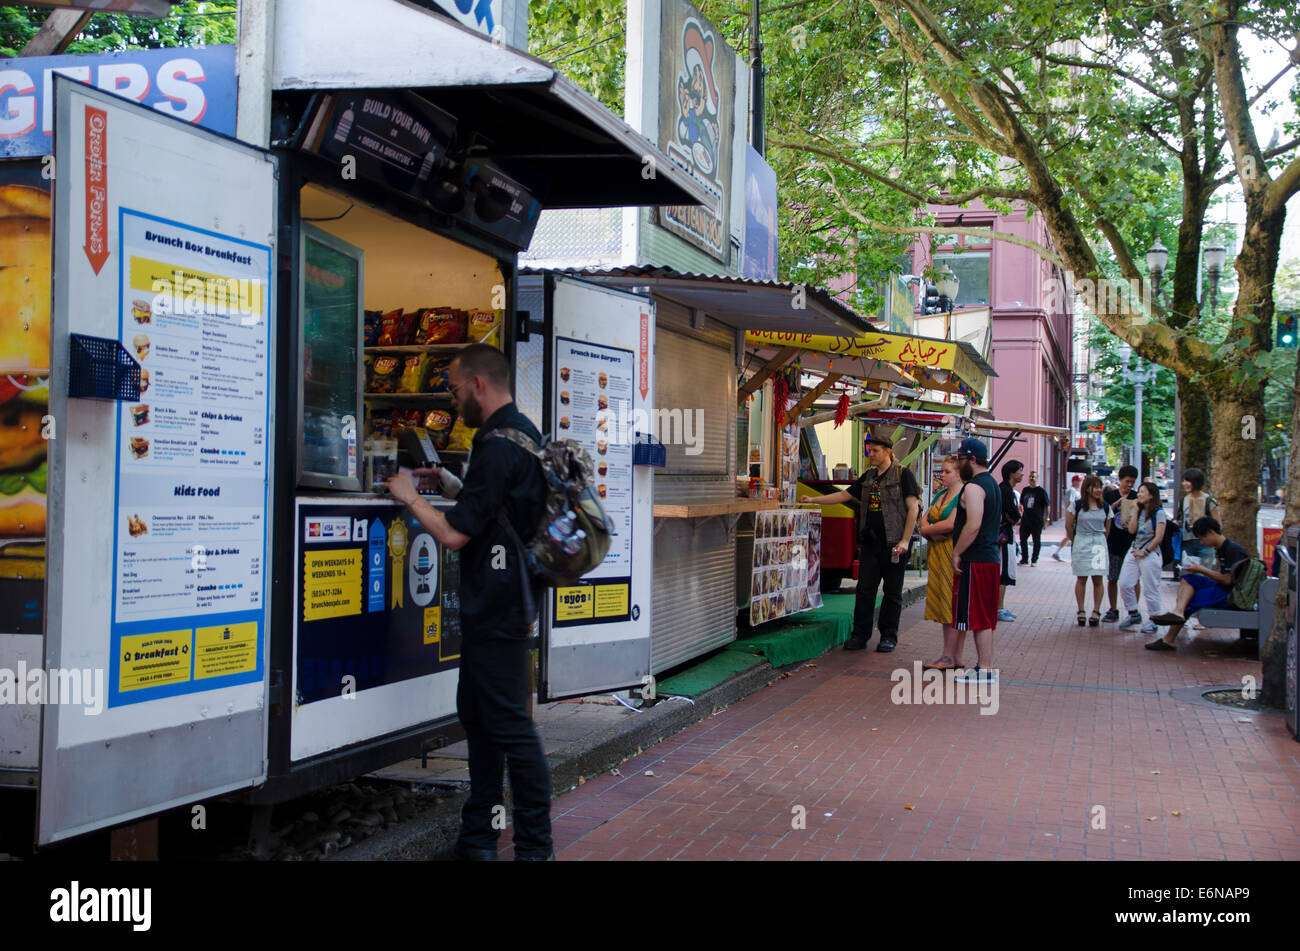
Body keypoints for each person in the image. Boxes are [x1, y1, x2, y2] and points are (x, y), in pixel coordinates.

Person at [386, 344, 553, 861]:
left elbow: (457, 536)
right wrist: (456, 484)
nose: (454, 402)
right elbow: (495, 507)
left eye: (455, 391)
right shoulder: (520, 433)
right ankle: (478, 840)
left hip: (499, 607)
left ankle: (534, 848)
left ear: (479, 385)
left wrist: (409, 495)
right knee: (482, 722)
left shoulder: (499, 444)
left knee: (510, 730)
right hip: (503, 604)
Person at [802, 434, 921, 652]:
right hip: (871, 543)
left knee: (892, 592)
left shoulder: (903, 475)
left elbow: (913, 508)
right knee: (865, 590)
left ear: (888, 451)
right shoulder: (868, 477)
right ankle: (860, 635)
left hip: (895, 543)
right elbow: (844, 496)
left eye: (875, 451)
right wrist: (813, 499)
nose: (871, 455)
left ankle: (888, 636)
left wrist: (905, 540)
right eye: (870, 451)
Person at [1145, 517, 1251, 651]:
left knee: (1192, 599)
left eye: (1202, 538)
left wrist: (1202, 569)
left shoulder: (1233, 549)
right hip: (1223, 586)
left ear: (1212, 532)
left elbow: (1227, 580)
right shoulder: (1222, 548)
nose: (1201, 542)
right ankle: (1178, 612)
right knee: (1189, 579)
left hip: (1232, 594)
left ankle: (1169, 639)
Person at [950, 438, 1002, 684]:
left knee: (978, 615)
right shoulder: (992, 484)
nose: (958, 464)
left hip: (977, 558)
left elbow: (973, 524)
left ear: (972, 460)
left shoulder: (973, 487)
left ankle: (985, 667)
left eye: (960, 459)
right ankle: (986, 666)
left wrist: (957, 552)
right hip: (989, 558)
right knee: (985, 615)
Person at [921, 455, 965, 670]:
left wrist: (928, 530)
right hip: (937, 553)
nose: (943, 475)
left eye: (947, 471)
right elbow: (924, 517)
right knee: (943, 603)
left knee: (952, 604)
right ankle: (952, 655)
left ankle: (951, 655)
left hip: (951, 553)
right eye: (942, 471)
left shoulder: (962, 495)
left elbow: (951, 524)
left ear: (958, 473)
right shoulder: (940, 494)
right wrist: (928, 531)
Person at [1117, 481, 1168, 634]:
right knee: (1125, 583)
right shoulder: (1138, 510)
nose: (1139, 494)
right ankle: (1133, 613)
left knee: (1150, 587)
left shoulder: (1159, 513)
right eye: (1139, 491)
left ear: (1151, 495)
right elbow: (1132, 530)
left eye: (1143, 492)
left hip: (1150, 554)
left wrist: (1145, 552)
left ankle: (1154, 618)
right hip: (1134, 550)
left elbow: (1159, 537)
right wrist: (1136, 511)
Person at [1065, 474, 1108, 626]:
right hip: (1081, 541)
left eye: (1100, 487)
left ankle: (1096, 611)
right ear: (1087, 488)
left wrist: (1101, 541)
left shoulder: (1105, 506)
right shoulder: (1077, 505)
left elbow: (1107, 528)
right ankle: (1081, 610)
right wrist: (1075, 540)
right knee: (1081, 578)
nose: (1098, 490)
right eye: (1095, 486)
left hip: (1099, 543)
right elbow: (1068, 526)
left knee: (1098, 578)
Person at [1101, 465, 1139, 622]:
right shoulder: (1110, 495)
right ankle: (1113, 609)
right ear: (1120, 480)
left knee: (1134, 579)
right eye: (1127, 481)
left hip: (1131, 543)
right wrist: (1115, 505)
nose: (1129, 485)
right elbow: (1102, 514)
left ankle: (1133, 610)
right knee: (1112, 577)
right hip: (1113, 543)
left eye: (1132, 482)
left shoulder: (1137, 497)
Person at [1176, 468, 1219, 569]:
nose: (1184, 484)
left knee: (1203, 576)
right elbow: (1181, 519)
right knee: (1187, 576)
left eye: (1188, 481)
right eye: (1184, 481)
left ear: (1196, 482)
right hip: (1187, 543)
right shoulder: (1184, 500)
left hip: (1205, 544)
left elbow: (1218, 524)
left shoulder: (1209, 501)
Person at [997, 460, 1024, 621]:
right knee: (1003, 573)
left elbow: (1015, 516)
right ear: (1011, 473)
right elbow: (1014, 516)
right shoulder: (1005, 491)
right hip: (1004, 536)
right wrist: (1015, 518)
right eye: (1020, 470)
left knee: (1005, 572)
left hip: (1007, 535)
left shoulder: (1009, 490)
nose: (1022, 474)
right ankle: (998, 608)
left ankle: (1000, 606)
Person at [1018, 470, 1051, 566]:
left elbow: (1047, 506)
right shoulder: (1025, 490)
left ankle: (1034, 560)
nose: (1032, 478)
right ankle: (1024, 559)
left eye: (1034, 477)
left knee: (1036, 540)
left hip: (1037, 520)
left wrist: (1046, 519)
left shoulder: (1041, 491)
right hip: (1026, 519)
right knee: (1022, 539)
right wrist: (1019, 514)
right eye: (1030, 476)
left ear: (1037, 478)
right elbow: (1021, 503)